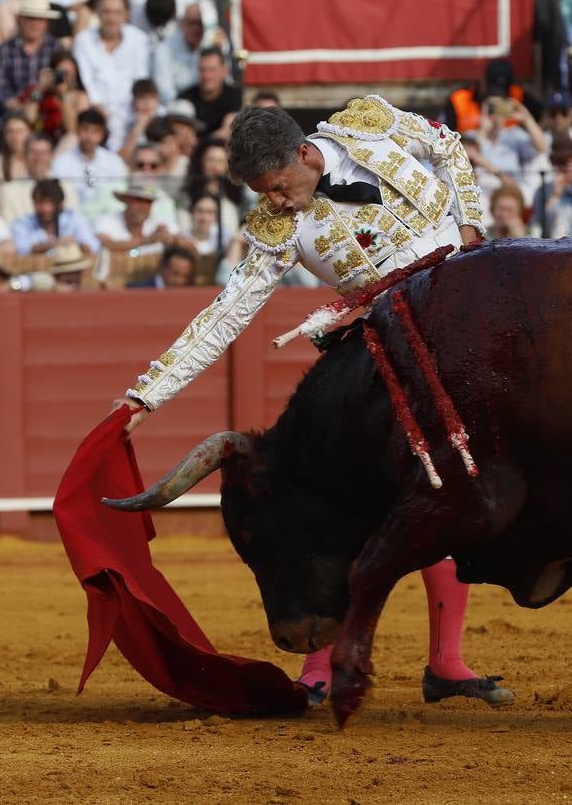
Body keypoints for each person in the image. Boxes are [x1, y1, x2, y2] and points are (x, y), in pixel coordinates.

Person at [109, 99, 511, 707]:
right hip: (386, 358)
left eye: (277, 187)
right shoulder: (278, 228)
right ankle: (320, 662)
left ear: (303, 154)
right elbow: (228, 312)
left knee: (448, 495)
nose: (275, 202)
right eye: (263, 193)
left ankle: (447, 662)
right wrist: (148, 393)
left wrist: (470, 227)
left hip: (461, 332)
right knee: (338, 509)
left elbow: (448, 145)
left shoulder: (368, 121)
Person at [73, 0, 149, 152]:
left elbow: (142, 80)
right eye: (107, 12)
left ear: (125, 15)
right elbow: (88, 81)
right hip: (99, 112)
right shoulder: (83, 40)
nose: (111, 18)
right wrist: (99, 106)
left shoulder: (139, 39)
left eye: (117, 13)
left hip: (132, 110)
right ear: (98, 13)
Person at [0, 0, 59, 113]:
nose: (34, 24)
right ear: (19, 20)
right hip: (14, 115)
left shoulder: (57, 49)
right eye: (30, 18)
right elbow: (2, 89)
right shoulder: (4, 51)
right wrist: (21, 112)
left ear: (46, 23)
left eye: (39, 19)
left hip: (49, 114)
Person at [51, 107, 128, 210]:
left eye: (95, 131)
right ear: (77, 131)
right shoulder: (61, 163)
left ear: (102, 135)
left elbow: (120, 193)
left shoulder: (114, 162)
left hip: (106, 217)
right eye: (85, 129)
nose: (89, 136)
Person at [179, 46, 243, 137]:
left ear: (225, 71)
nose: (206, 76)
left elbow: (228, 130)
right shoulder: (185, 97)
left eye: (212, 70)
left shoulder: (234, 96)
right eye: (202, 70)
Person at [126, 242, 197, 288]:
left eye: (185, 276)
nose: (180, 281)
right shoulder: (137, 290)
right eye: (175, 274)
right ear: (163, 268)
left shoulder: (189, 296)